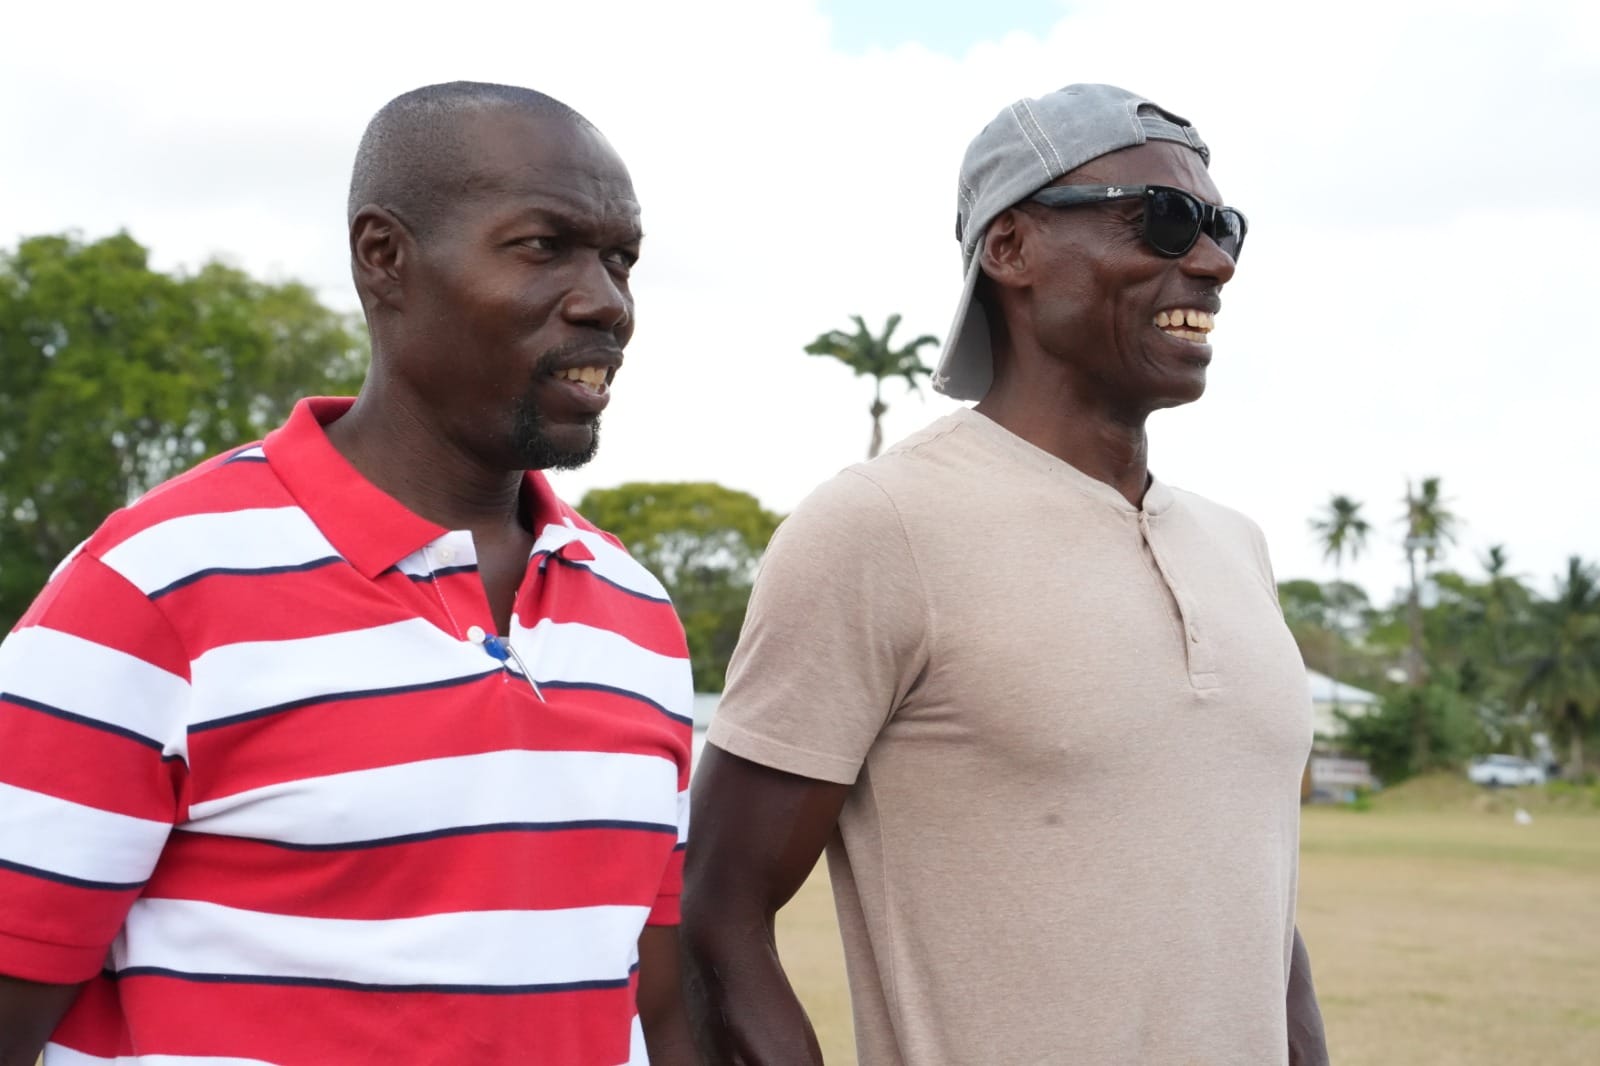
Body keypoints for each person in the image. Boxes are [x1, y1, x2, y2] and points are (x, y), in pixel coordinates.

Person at [0, 82, 695, 1065]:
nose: (606, 301)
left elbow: (655, 1005)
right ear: (385, 257)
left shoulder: (639, 618)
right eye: (546, 245)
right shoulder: (150, 589)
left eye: (621, 259)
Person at [683, 84, 1329, 1065]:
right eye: (1162, 220)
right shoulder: (879, 528)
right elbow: (715, 915)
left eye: (1222, 226)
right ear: (1012, 247)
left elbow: (1256, 914)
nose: (1213, 262)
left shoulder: (1236, 547)